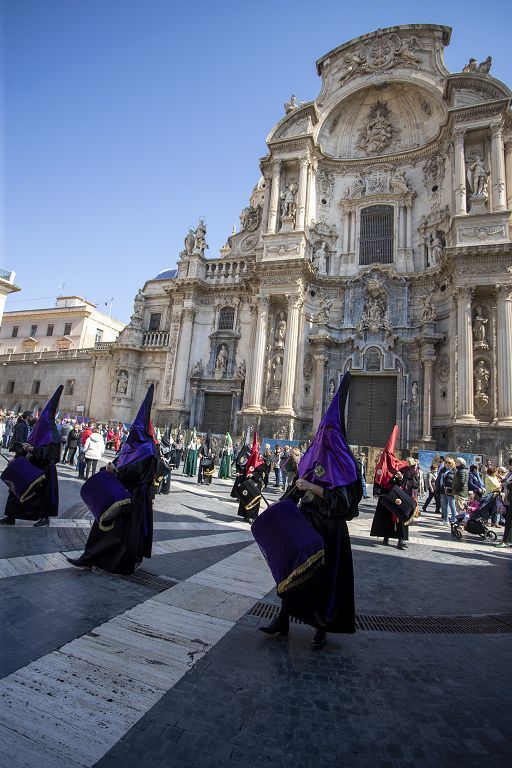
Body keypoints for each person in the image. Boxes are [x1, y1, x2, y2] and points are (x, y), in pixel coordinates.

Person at [259, 373, 362, 650]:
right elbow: (295, 488)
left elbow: (345, 506)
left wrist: (314, 489)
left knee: (324, 581)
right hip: (306, 524)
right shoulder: (311, 458)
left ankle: (321, 628)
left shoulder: (347, 466)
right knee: (293, 577)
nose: (322, 438)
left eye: (327, 434)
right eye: (321, 433)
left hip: (330, 530)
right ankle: (282, 620)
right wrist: (278, 512)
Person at [67, 385, 158, 574]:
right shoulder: (129, 446)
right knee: (101, 526)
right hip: (117, 494)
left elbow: (140, 473)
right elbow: (119, 461)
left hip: (133, 498)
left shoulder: (149, 449)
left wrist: (116, 471)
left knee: (123, 534)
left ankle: (116, 563)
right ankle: (89, 557)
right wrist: (110, 468)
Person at [0, 386, 63, 527]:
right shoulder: (37, 431)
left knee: (44, 495)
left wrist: (34, 450)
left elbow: (52, 456)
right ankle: (10, 516)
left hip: (45, 470)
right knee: (16, 489)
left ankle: (45, 517)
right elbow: (26, 446)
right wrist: (16, 459)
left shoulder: (54, 436)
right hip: (30, 466)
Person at [370, 426, 410, 549]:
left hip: (397, 496)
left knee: (400, 518)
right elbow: (377, 481)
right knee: (385, 518)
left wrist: (399, 477)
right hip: (385, 495)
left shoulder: (400, 466)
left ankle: (401, 539)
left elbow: (405, 481)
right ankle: (385, 536)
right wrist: (376, 491)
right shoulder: (380, 468)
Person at [438, 457, 456, 525]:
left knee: (452, 505)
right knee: (444, 506)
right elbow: (439, 480)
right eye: (446, 462)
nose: (447, 464)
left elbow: (456, 482)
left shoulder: (454, 471)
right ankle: (445, 520)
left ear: (452, 464)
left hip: (450, 490)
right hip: (442, 490)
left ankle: (454, 520)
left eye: (449, 463)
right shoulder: (442, 470)